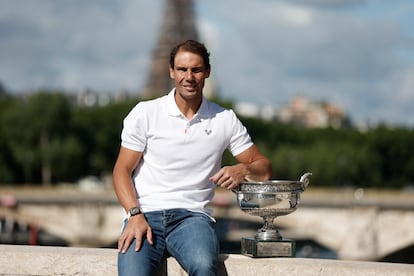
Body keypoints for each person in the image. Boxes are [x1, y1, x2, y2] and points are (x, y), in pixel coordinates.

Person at [113, 39, 272, 276]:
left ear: (207, 72)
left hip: (192, 218)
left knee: (204, 266)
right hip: (144, 215)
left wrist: (242, 170)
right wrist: (134, 215)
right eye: (182, 69)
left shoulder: (224, 119)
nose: (189, 76)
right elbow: (121, 171)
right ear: (171, 72)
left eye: (196, 70)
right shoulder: (145, 113)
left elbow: (264, 168)